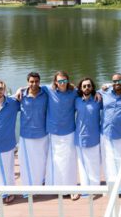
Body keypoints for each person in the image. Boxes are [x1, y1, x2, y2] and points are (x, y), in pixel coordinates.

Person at [44, 71, 79, 200]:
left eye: (64, 81)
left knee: (69, 161)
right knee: (55, 162)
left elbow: (89, 91)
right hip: (53, 132)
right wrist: (20, 89)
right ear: (55, 82)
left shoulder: (74, 92)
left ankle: (71, 188)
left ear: (68, 81)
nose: (62, 83)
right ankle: (55, 187)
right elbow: (32, 87)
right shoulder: (48, 90)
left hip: (69, 131)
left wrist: (100, 91)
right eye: (60, 81)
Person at [19, 72, 49, 188]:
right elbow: (3, 99)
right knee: (27, 162)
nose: (34, 84)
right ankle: (28, 186)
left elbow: (60, 84)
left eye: (36, 81)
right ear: (28, 82)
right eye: (31, 81)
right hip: (26, 134)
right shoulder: (21, 96)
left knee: (41, 160)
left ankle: (42, 180)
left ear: (39, 82)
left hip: (42, 133)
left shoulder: (45, 93)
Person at [75, 78, 102, 189]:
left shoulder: (98, 100)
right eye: (84, 86)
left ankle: (95, 187)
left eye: (89, 86)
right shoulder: (76, 100)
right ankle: (85, 188)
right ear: (81, 88)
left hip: (94, 137)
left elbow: (110, 91)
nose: (87, 88)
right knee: (82, 165)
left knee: (94, 164)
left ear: (92, 87)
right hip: (80, 137)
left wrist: (99, 92)